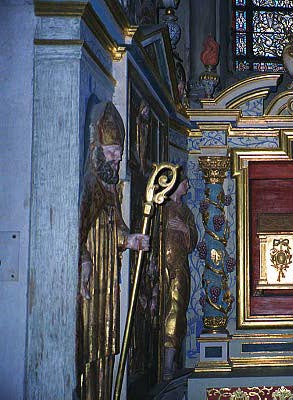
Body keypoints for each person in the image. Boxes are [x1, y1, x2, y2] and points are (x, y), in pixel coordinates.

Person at [78, 101, 149, 400]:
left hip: (109, 279)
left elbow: (117, 228)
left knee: (106, 344)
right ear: (96, 151)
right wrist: (82, 260)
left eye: (119, 154)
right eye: (112, 153)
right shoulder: (91, 188)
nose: (118, 159)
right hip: (93, 281)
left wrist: (130, 240)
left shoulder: (111, 190)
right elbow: (77, 232)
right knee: (89, 348)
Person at [162, 172, 198, 380]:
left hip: (179, 267)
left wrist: (185, 229)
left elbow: (192, 241)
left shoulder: (186, 212)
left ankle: (170, 361)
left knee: (177, 309)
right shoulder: (163, 208)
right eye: (185, 182)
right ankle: (164, 361)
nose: (187, 186)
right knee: (165, 309)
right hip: (162, 266)